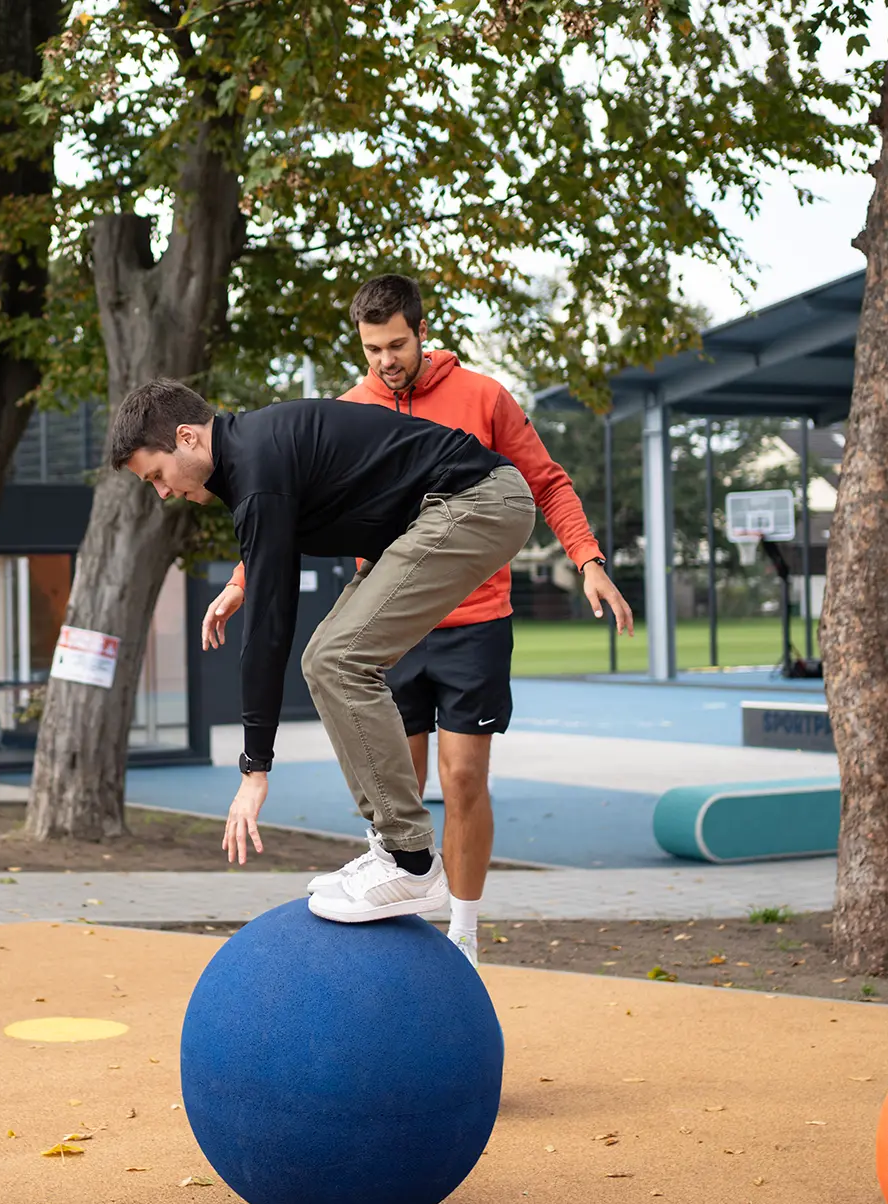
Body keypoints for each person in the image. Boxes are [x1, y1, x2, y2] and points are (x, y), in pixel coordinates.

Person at [203, 275, 633, 965]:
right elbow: (281, 510)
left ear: (421, 332)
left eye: (396, 344)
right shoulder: (348, 406)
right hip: (392, 622)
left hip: (474, 615)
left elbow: (544, 480)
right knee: (389, 767)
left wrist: (586, 557)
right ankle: (399, 885)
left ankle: (462, 928)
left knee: (462, 779)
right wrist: (241, 582)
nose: (385, 361)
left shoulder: (483, 396)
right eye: (372, 348)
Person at [112, 378, 536, 927]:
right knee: (325, 660)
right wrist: (243, 584)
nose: (163, 493)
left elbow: (269, 629)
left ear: (187, 438)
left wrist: (254, 768)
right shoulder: (255, 460)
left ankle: (410, 863)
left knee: (340, 659)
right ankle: (395, 850)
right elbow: (271, 582)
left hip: (476, 501)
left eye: (157, 476)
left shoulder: (258, 472)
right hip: (444, 510)